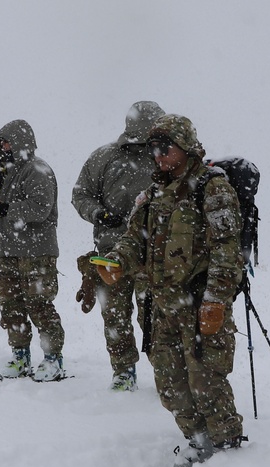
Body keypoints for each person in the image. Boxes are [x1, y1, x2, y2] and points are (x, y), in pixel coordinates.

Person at [97, 114, 246, 467]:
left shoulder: (212, 189)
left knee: (206, 382)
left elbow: (228, 250)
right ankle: (197, 441)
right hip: (162, 308)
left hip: (198, 305)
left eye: (166, 147)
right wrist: (117, 262)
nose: (159, 155)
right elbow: (134, 241)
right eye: (154, 148)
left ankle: (229, 452)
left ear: (185, 147)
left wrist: (216, 302)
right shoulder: (151, 196)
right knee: (170, 384)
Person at [72, 101, 166, 392]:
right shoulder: (104, 157)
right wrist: (99, 213)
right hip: (110, 253)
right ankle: (123, 371)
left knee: (155, 316)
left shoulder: (165, 159)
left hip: (154, 255)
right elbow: (81, 194)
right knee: (114, 314)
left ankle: (165, 373)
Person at [0, 119, 66, 382]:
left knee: (39, 305)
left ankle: (53, 359)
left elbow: (40, 208)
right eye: (1, 143)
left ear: (21, 142)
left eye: (7, 141)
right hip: (7, 251)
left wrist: (2, 210)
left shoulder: (37, 170)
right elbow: (7, 211)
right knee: (10, 305)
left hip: (36, 252)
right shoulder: (6, 174)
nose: (3, 146)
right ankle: (20, 356)